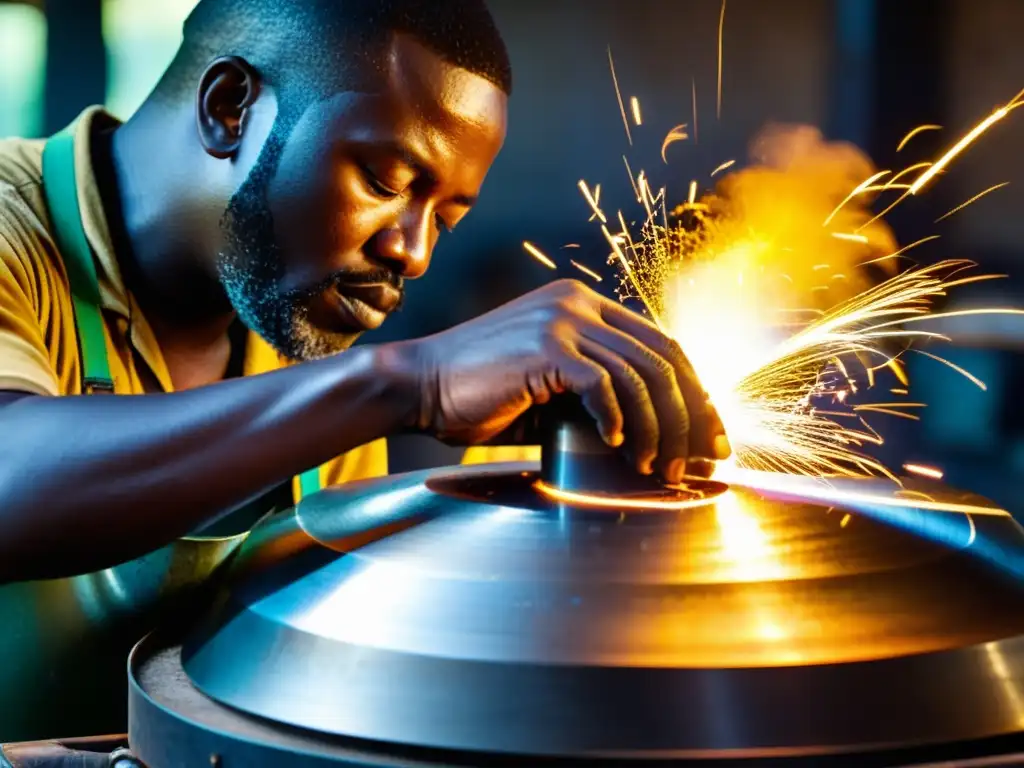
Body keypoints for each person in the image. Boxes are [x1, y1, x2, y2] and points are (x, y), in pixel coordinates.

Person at [0, 0, 729, 743]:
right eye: (384, 182)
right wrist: (413, 381)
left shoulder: (301, 344)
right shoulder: (12, 230)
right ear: (229, 109)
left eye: (445, 219)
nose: (412, 255)